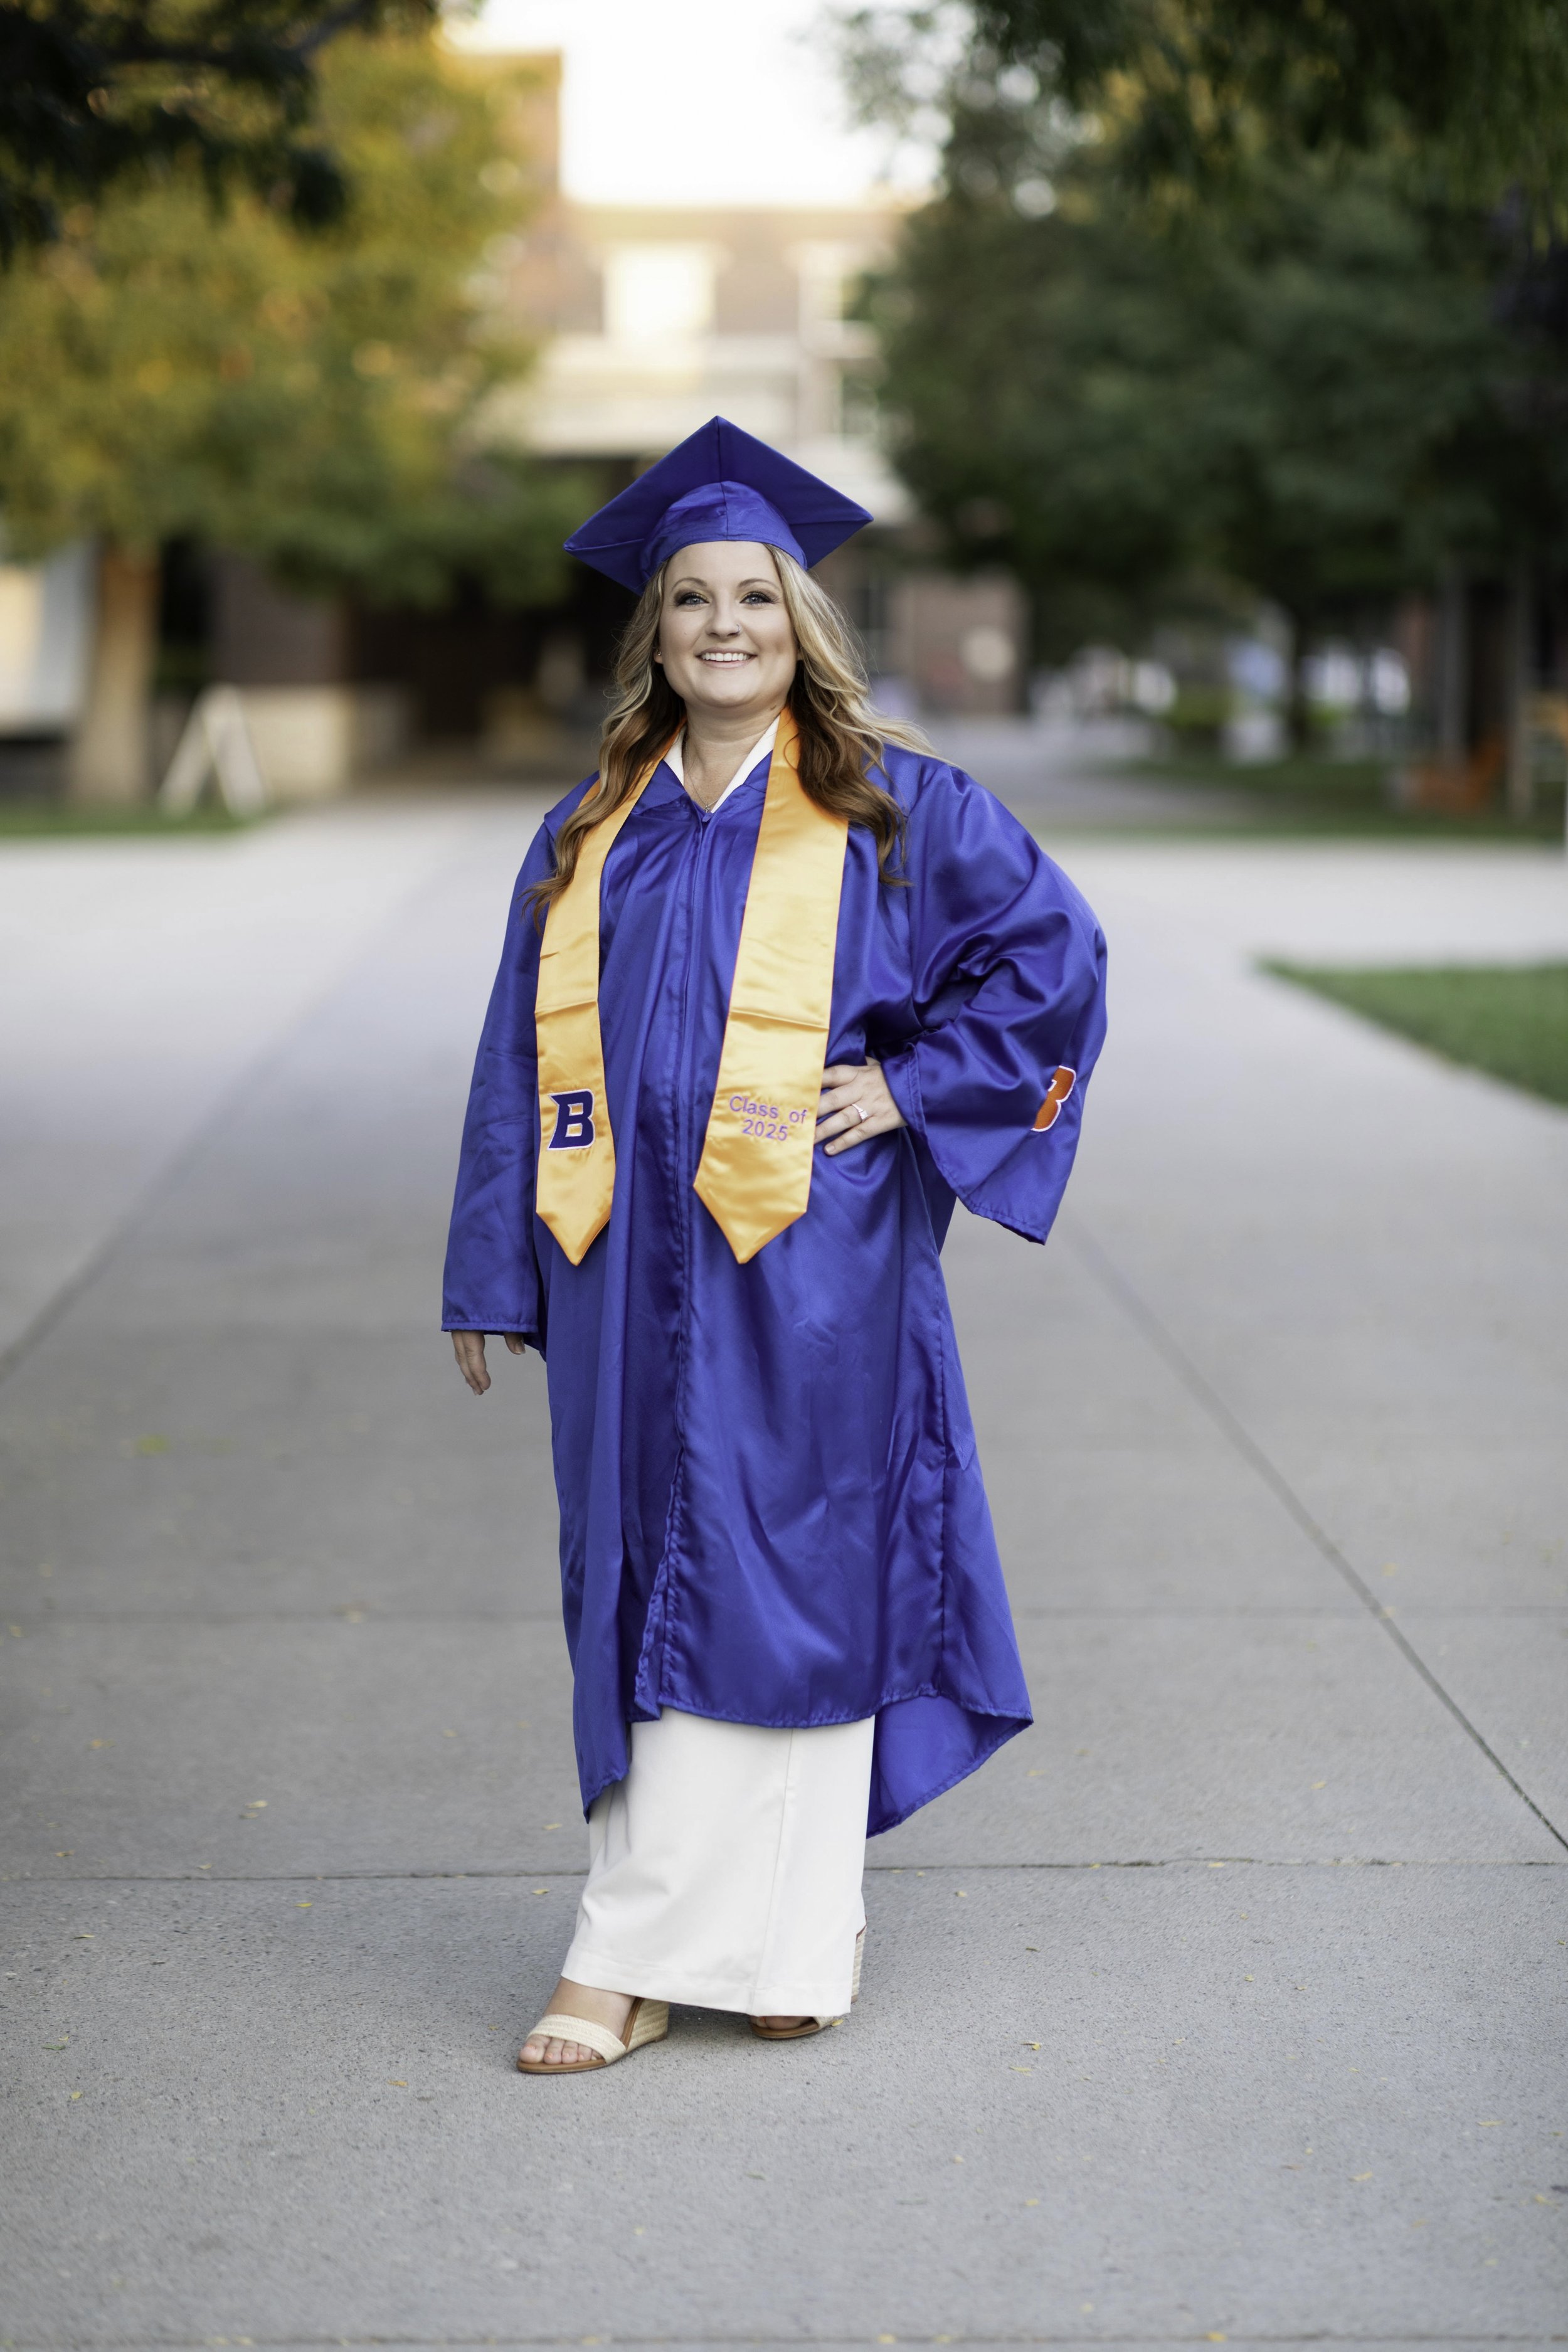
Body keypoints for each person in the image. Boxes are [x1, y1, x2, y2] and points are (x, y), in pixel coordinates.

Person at [443, 416, 1107, 2074]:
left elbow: (1051, 960)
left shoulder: (891, 808)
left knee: (794, 1574)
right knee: (640, 1577)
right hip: (616, 1271)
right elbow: (517, 1053)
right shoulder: (591, 829)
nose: (723, 625)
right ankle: (647, 1949)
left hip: (811, 1265)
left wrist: (913, 1086)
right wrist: (487, 1265)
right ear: (654, 633)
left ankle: (755, 1942)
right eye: (692, 599)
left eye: (754, 596)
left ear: (800, 622)